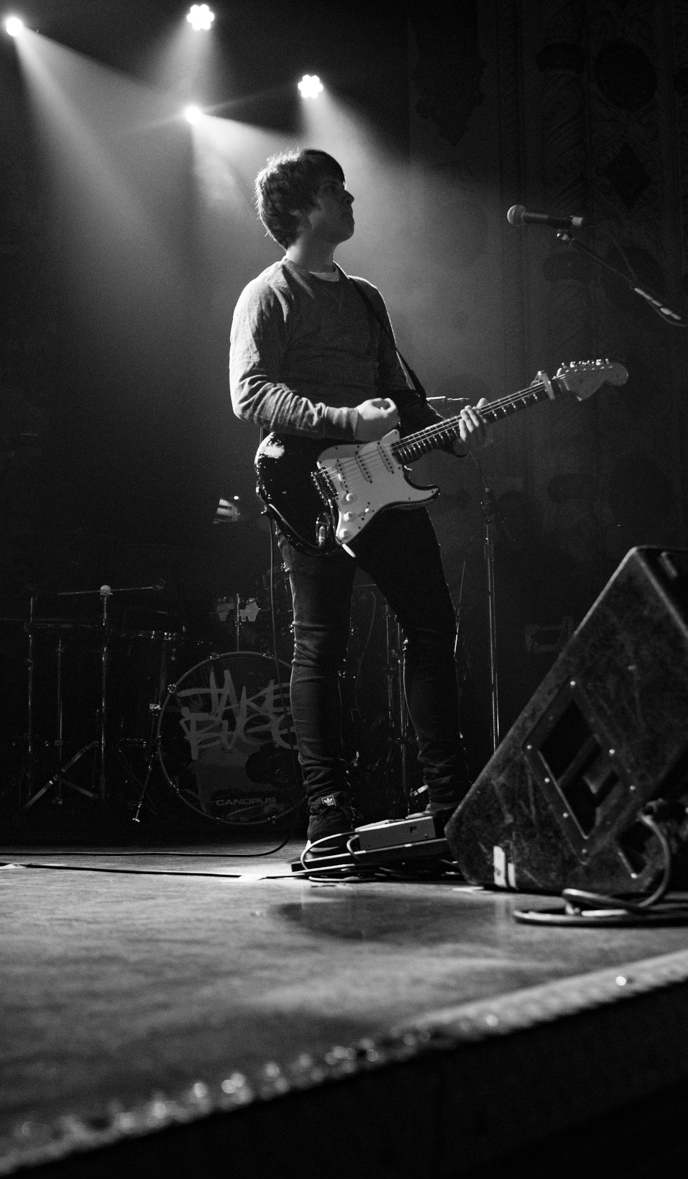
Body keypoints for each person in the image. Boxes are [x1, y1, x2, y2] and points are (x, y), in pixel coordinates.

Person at [229, 148, 487, 853]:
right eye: (335, 192)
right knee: (322, 643)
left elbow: (400, 395)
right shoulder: (269, 293)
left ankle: (448, 800)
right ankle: (328, 814)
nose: (350, 201)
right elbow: (251, 393)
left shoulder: (365, 296)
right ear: (301, 209)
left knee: (432, 625)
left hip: (381, 482)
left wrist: (445, 433)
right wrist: (344, 422)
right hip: (306, 484)